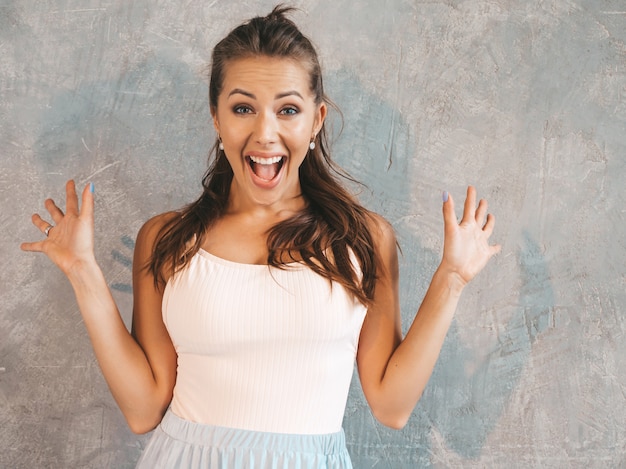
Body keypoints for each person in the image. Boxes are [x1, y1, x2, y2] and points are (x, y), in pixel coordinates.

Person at [21, 5, 501, 468]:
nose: (265, 134)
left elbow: (391, 407)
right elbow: (144, 408)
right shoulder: (166, 239)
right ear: (216, 117)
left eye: (287, 109)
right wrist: (82, 271)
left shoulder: (364, 240)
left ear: (316, 120)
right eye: (243, 107)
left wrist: (453, 278)